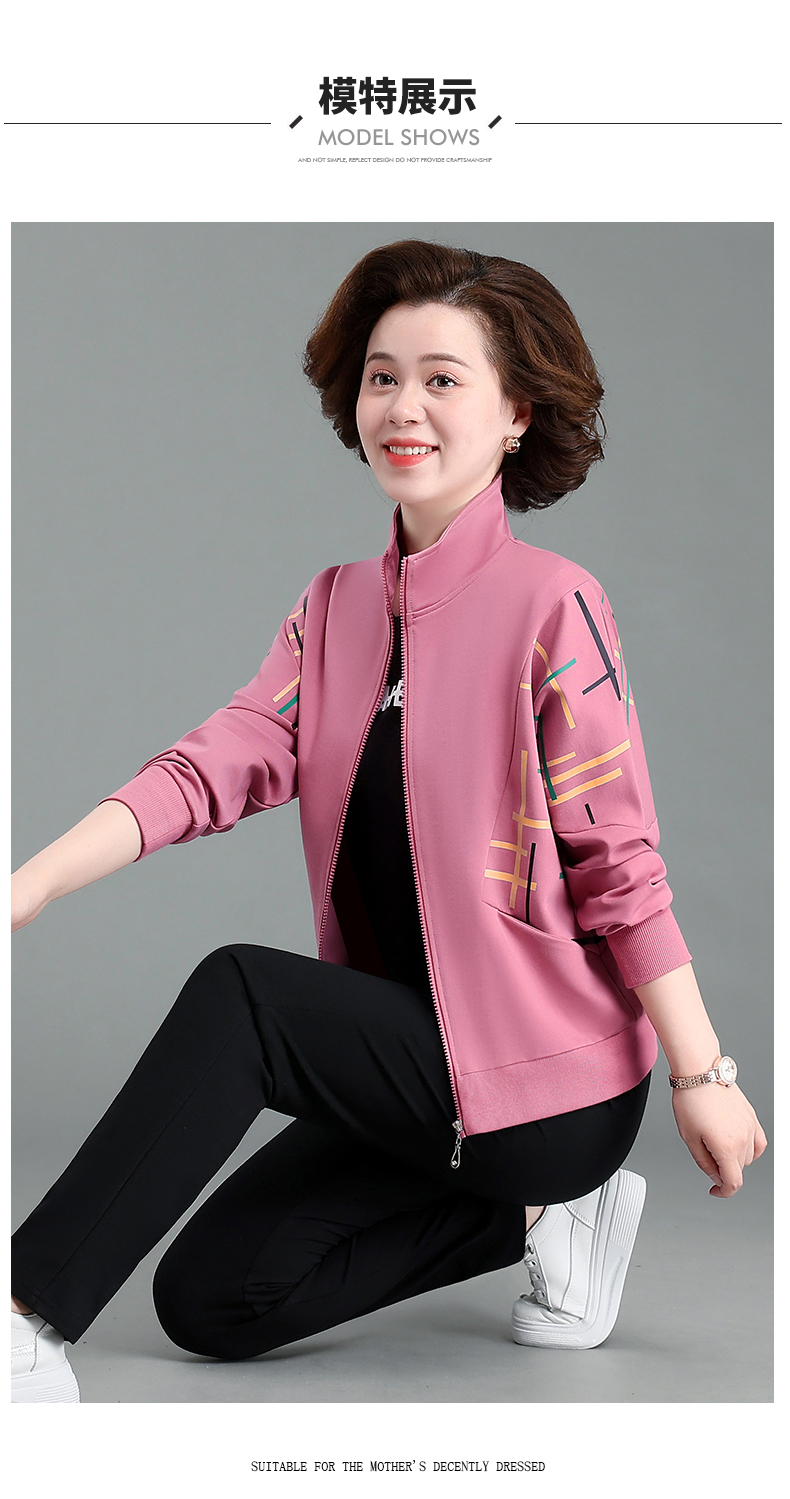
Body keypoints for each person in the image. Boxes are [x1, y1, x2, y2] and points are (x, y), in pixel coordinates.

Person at [11, 239, 767, 1403]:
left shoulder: (554, 603)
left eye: (442, 379)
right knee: (210, 1299)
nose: (403, 407)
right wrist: (29, 884)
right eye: (381, 377)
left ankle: (23, 1312)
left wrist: (699, 1071)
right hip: (412, 1071)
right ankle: (541, 1217)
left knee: (245, 992)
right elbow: (215, 762)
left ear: (515, 413)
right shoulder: (335, 606)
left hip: (549, 1082)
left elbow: (618, 862)